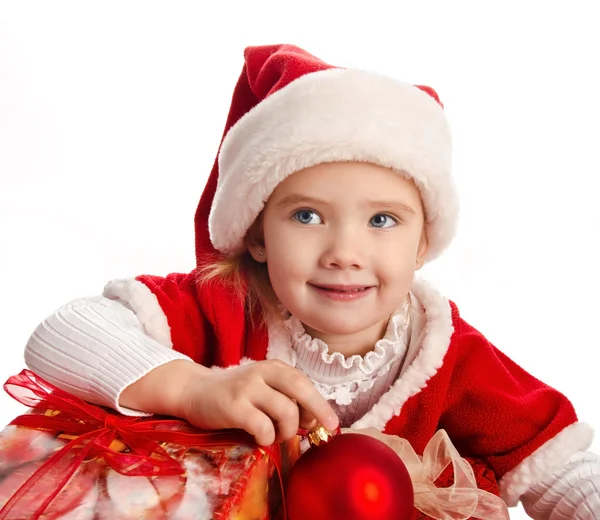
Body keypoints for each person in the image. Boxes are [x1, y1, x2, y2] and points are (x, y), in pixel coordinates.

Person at [24, 44, 600, 518]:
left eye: (382, 220)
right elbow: (63, 333)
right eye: (306, 216)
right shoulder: (226, 307)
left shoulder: (445, 352)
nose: (345, 253)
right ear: (256, 234)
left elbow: (561, 467)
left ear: (424, 242)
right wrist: (191, 388)